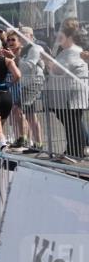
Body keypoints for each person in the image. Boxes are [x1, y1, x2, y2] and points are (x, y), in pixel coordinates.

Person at [46, 20, 89, 159]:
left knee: (72, 123)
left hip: (72, 95)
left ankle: (75, 151)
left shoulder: (74, 51)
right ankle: (74, 149)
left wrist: (48, 63)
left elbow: (61, 70)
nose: (58, 37)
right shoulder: (65, 51)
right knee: (71, 122)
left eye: (60, 35)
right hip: (66, 95)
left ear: (68, 37)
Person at [0, 36, 21, 151]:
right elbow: (18, 75)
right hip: (6, 97)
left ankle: (3, 147)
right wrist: (8, 84)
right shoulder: (8, 61)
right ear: (1, 48)